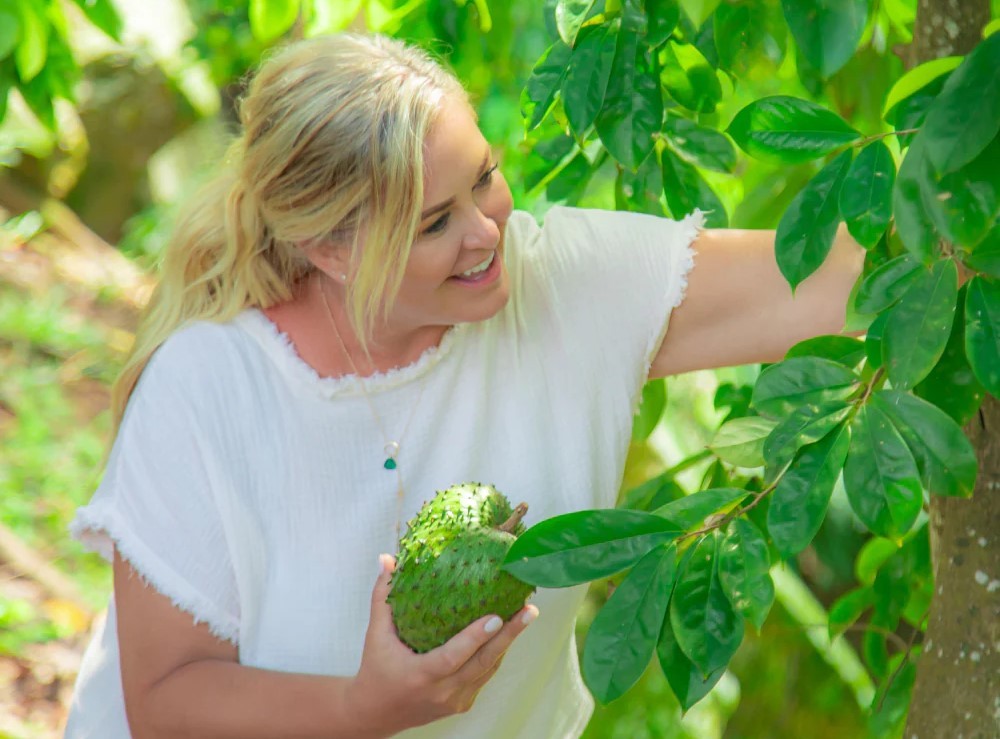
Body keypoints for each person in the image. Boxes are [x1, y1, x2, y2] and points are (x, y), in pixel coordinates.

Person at [63, 32, 864, 738]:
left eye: (484, 178)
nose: (488, 231)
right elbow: (165, 701)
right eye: (433, 221)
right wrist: (361, 708)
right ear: (331, 250)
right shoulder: (209, 388)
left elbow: (850, 286)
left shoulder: (562, 285)